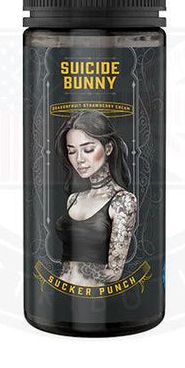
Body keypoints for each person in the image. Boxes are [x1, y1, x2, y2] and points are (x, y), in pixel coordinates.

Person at [55, 110, 137, 286]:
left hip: (93, 295)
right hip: (61, 292)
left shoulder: (123, 201)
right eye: (71, 151)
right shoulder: (73, 199)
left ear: (108, 148)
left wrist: (78, 275)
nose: (79, 159)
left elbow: (114, 273)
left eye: (88, 150)